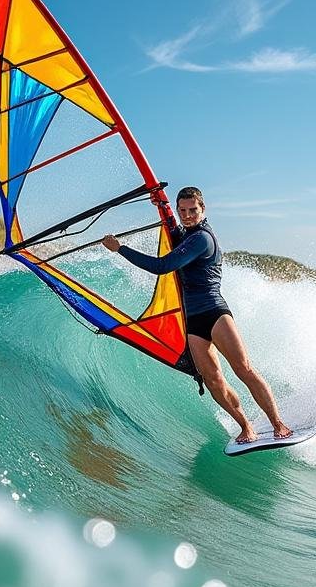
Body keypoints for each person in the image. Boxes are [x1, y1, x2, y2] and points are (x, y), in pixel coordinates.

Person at [101, 186, 290, 444]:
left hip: (214, 312)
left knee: (243, 369)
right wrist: (161, 205)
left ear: (203, 209)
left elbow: (163, 266)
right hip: (193, 321)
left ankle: (278, 424)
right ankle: (246, 426)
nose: (187, 215)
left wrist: (120, 249)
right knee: (213, 380)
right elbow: (173, 228)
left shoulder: (202, 238)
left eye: (193, 210)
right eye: (182, 211)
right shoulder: (186, 234)